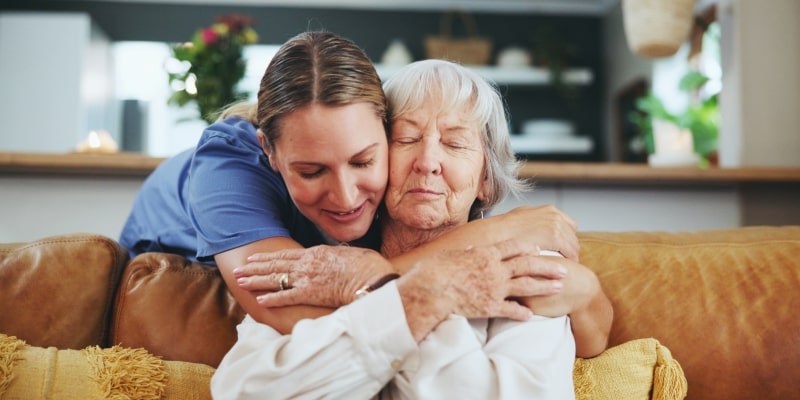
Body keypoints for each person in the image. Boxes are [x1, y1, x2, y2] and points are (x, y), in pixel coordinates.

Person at [119, 31, 610, 351]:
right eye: (312, 171)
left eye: (364, 161)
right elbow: (299, 313)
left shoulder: (410, 200)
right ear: (270, 151)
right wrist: (492, 237)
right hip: (171, 253)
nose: (347, 195)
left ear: (381, 130)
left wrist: (583, 290)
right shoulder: (231, 164)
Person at [211, 59, 581, 399]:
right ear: (377, 158)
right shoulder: (324, 261)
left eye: (454, 143)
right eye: (406, 139)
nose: (428, 162)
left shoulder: (523, 269)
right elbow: (245, 390)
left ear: (486, 179)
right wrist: (419, 297)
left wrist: (395, 298)